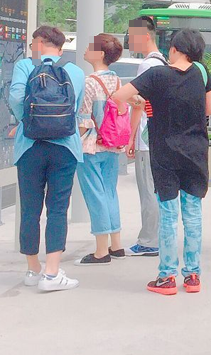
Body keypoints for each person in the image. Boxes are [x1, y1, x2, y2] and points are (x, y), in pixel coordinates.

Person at [112, 29, 211, 295]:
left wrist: (142, 100)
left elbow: (118, 97)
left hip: (165, 153)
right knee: (193, 214)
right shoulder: (202, 73)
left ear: (174, 48)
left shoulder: (157, 75)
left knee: (169, 216)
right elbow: (210, 109)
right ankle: (193, 276)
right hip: (195, 153)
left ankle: (166, 278)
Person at [8, 25, 86, 291]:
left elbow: (16, 97)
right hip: (65, 146)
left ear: (39, 43)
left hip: (29, 146)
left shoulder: (24, 67)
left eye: (33, 44)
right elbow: (76, 108)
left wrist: (26, 121)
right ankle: (52, 274)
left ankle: (33, 269)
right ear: (60, 48)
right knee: (57, 208)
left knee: (30, 208)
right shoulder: (75, 72)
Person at [74, 34, 126, 266]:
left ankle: (100, 250)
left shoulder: (89, 82)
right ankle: (116, 244)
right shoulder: (117, 80)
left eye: (90, 46)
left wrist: (75, 143)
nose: (85, 49)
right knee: (109, 192)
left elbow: (84, 119)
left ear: (100, 54)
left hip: (91, 145)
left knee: (95, 194)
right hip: (112, 144)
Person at [124, 16, 167, 257]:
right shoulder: (163, 62)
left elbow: (139, 104)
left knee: (148, 189)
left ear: (145, 36)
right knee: (156, 189)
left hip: (146, 136)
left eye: (132, 36)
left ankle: (149, 240)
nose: (130, 40)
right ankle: (156, 237)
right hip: (158, 134)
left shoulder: (147, 66)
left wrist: (130, 137)